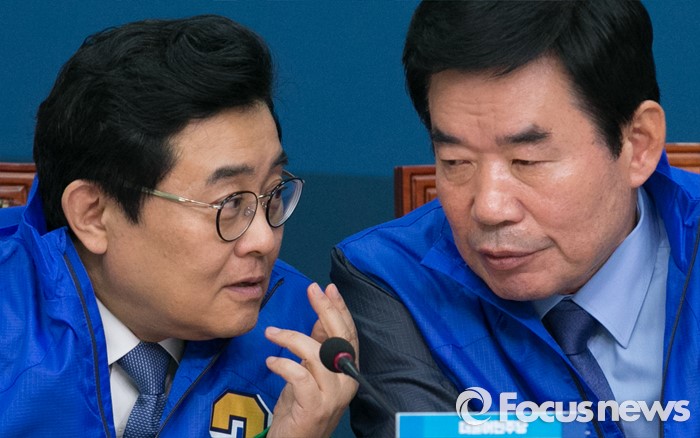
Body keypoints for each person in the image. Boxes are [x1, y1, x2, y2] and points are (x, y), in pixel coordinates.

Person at [331, 1, 699, 437]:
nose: (489, 208)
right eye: (456, 161)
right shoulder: (392, 280)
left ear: (638, 144)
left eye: (526, 161)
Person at [0, 15, 358, 438]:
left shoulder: (297, 331)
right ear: (93, 214)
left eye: (273, 193)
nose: (264, 240)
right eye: (229, 203)